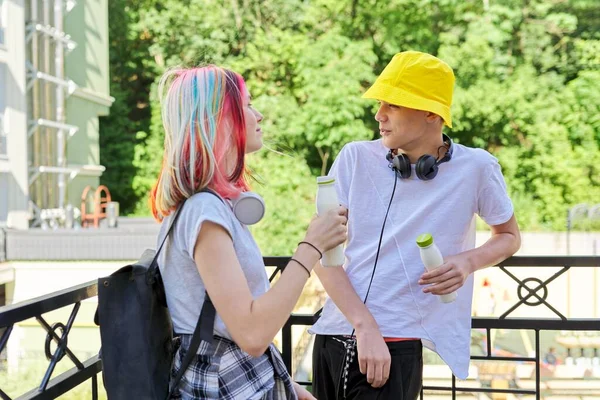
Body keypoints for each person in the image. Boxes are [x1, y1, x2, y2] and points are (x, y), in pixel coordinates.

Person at [310, 51, 521, 400]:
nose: (379, 115)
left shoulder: (477, 167)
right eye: (380, 104)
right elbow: (317, 248)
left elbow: (509, 236)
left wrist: (467, 262)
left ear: (430, 112)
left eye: (392, 105)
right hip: (335, 337)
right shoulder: (355, 157)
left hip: (397, 347)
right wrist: (364, 326)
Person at [150, 65, 348, 399]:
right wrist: (311, 246)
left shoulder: (211, 207)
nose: (258, 115)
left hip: (241, 381)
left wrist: (292, 390)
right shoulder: (204, 212)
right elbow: (253, 334)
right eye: (248, 104)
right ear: (221, 118)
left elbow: (229, 331)